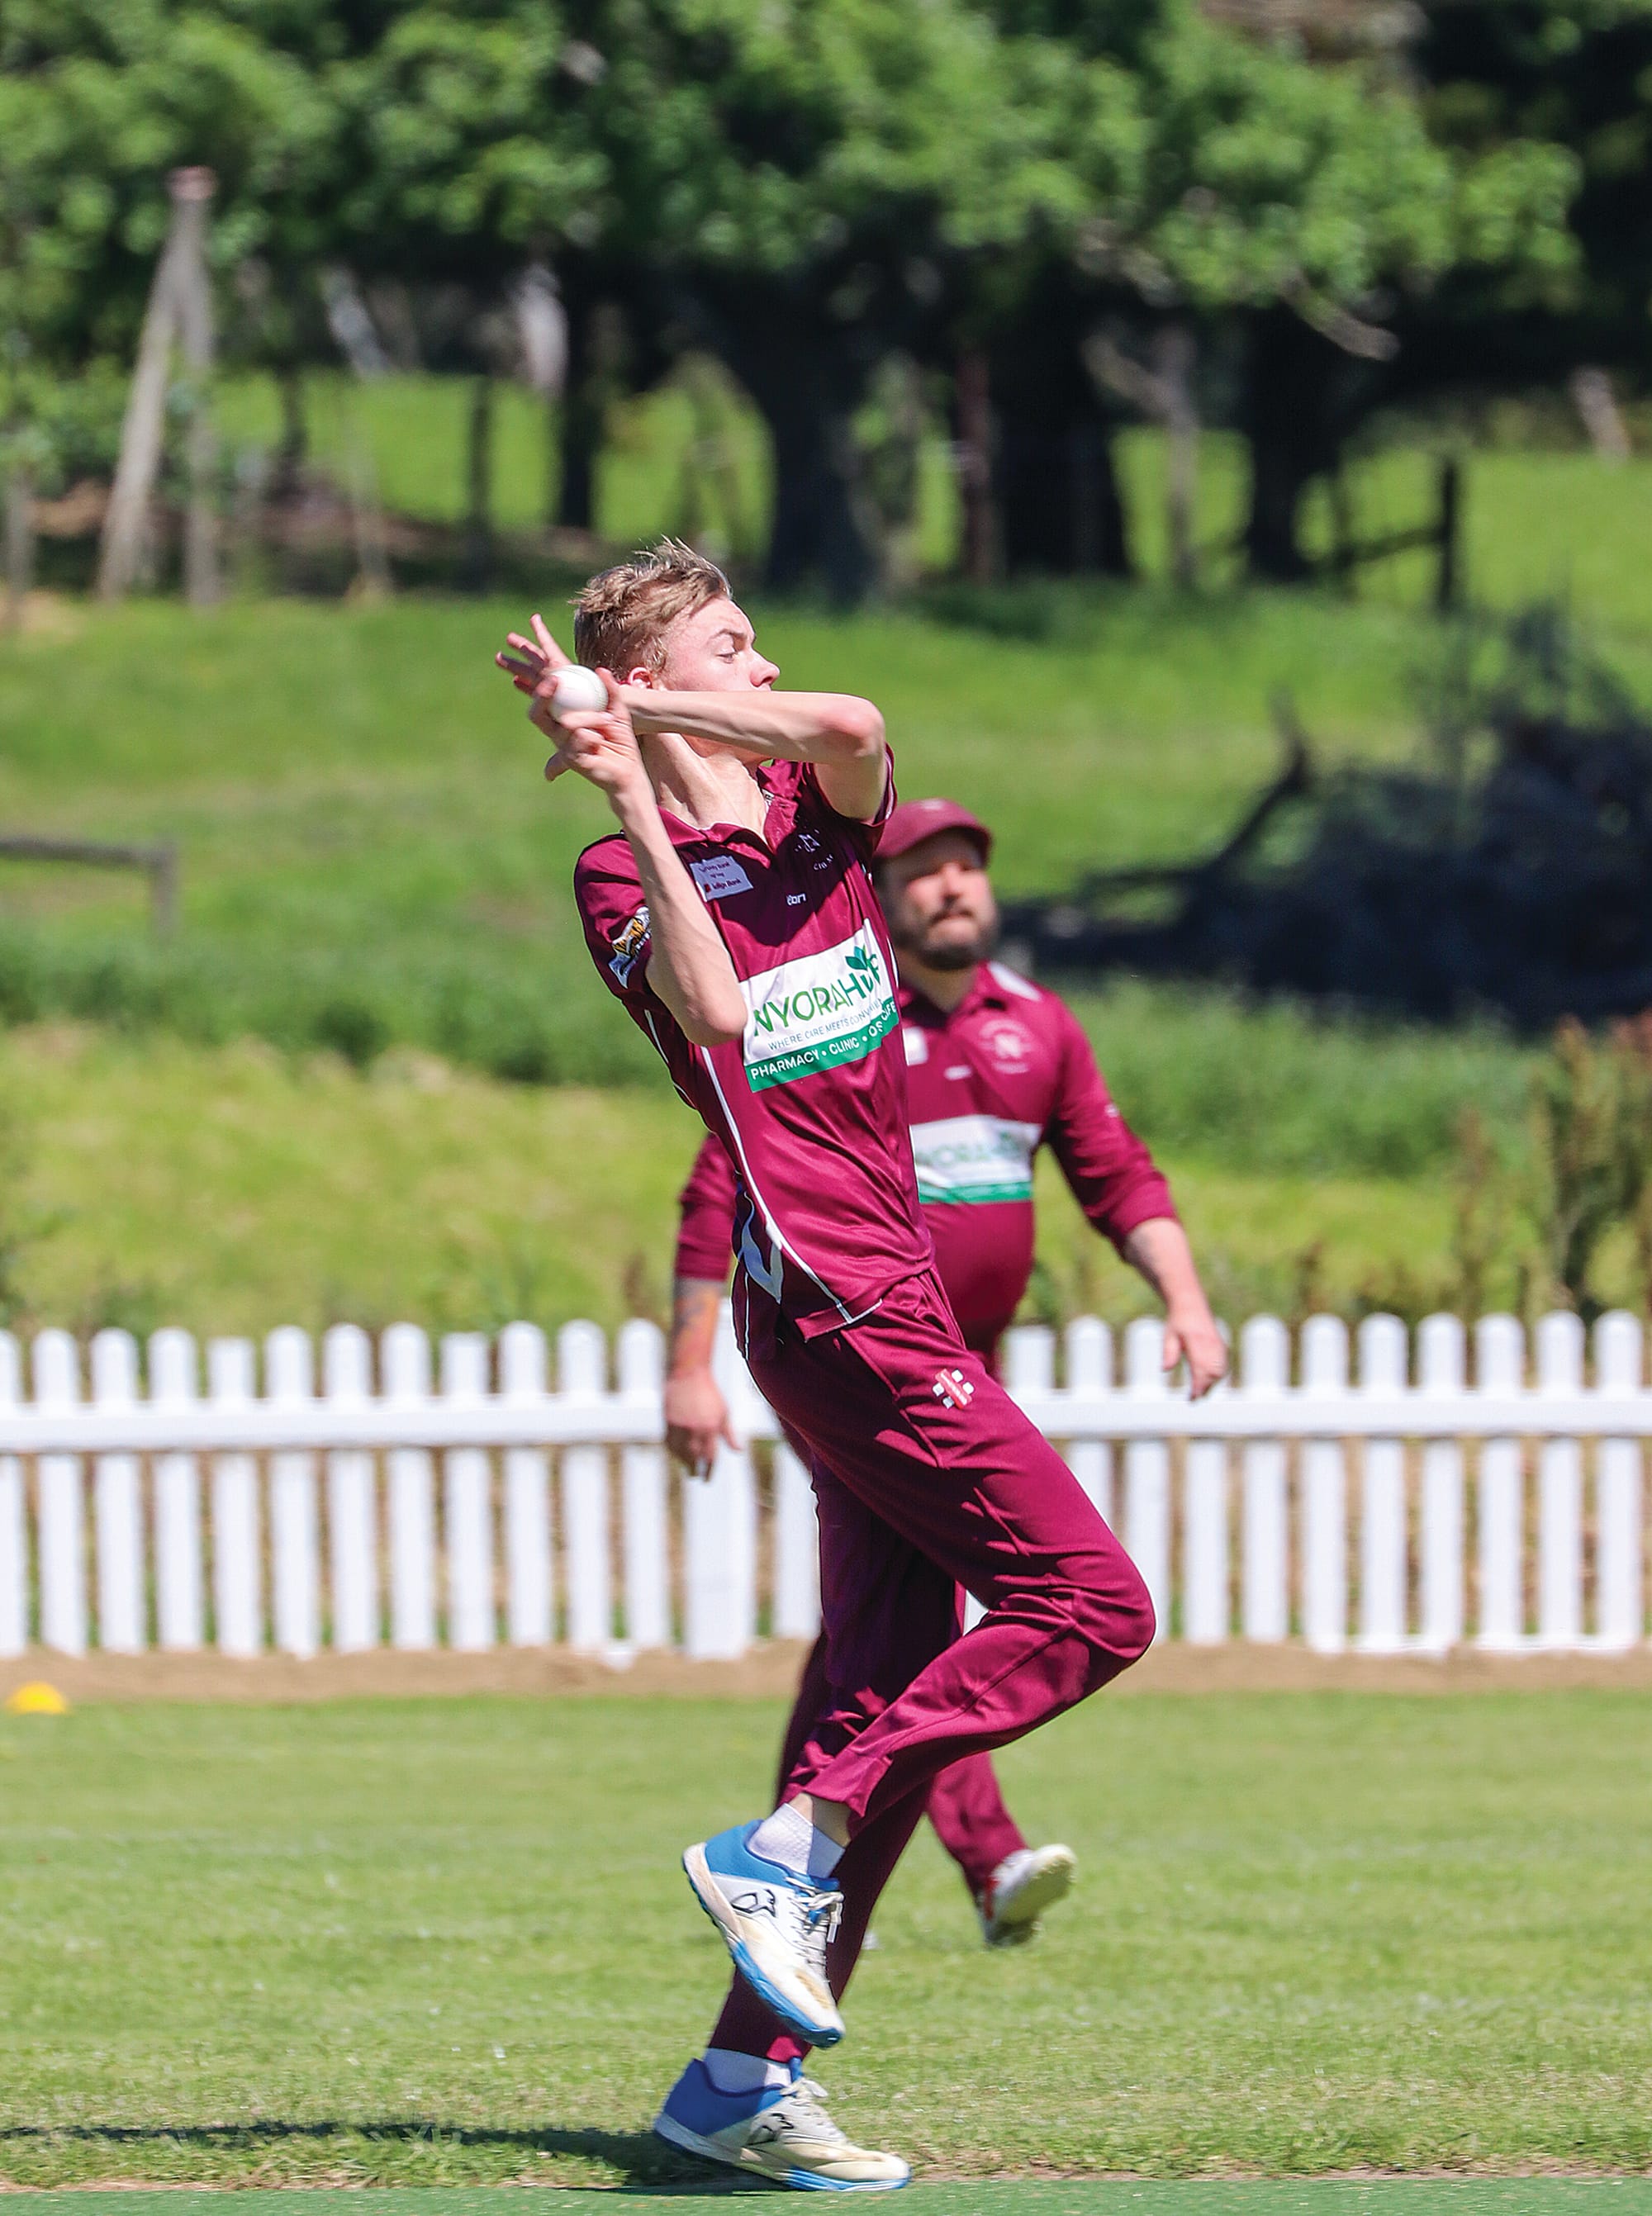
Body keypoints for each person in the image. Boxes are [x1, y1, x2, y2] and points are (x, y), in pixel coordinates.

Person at [496, 540, 1161, 2195]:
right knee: (1093, 1605)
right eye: (729, 640)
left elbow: (856, 722)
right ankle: (784, 1846)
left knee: (878, 1677)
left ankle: (738, 2078)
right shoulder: (612, 874)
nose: (763, 661)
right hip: (836, 1310)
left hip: (897, 1306)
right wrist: (637, 785)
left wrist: (659, 708)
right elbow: (713, 1015)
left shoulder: (817, 820)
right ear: (658, 681)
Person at [665, 793, 1224, 1952]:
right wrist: (688, 1364)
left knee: (881, 1659)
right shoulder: (847, 1018)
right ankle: (871, 1852)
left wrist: (1185, 1295)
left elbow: (1119, 1176)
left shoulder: (1038, 1026)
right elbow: (725, 1181)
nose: (954, 886)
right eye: (924, 870)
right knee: (1016, 1622)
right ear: (879, 892)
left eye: (970, 866)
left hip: (957, 1371)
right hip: (866, 1359)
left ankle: (764, 1999)